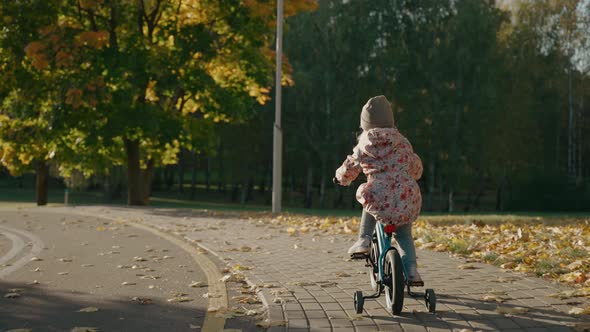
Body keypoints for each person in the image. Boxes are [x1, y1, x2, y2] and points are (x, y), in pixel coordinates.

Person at [334, 95, 423, 284]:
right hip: (405, 196)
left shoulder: (365, 144)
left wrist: (340, 178)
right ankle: (413, 273)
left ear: (365, 123)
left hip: (380, 194)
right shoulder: (402, 142)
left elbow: (350, 166)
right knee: (404, 235)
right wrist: (414, 174)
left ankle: (364, 240)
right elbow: (414, 164)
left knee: (369, 197)